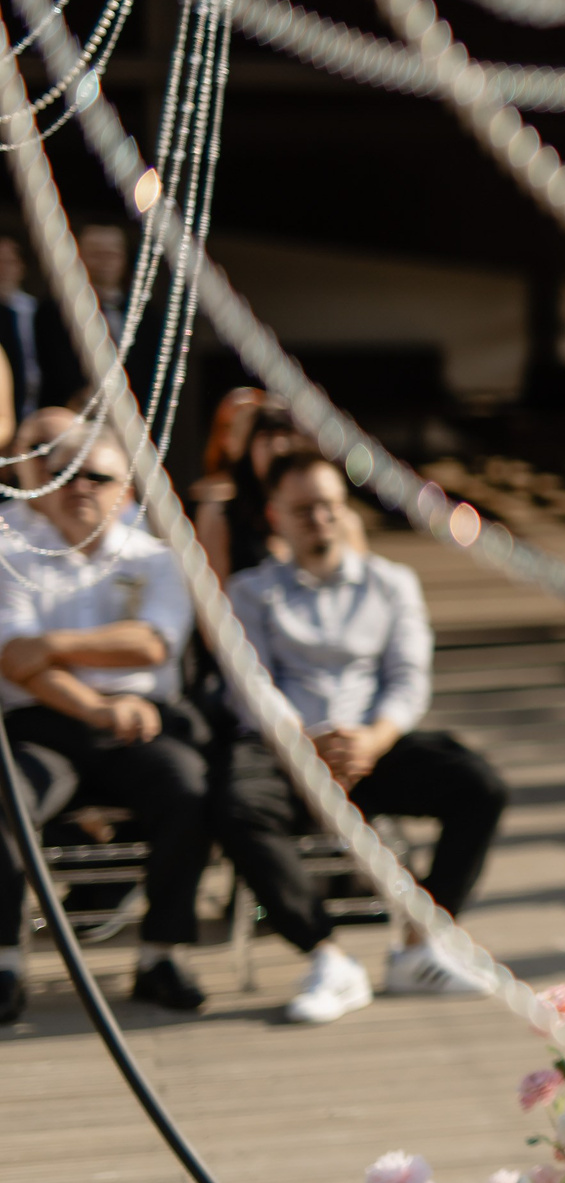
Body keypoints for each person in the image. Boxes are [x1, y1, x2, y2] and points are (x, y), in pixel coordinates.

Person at [216, 453, 509, 1023]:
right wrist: (302, 744)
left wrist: (373, 739)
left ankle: (421, 942)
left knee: (480, 786)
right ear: (276, 516)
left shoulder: (392, 583)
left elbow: (408, 678)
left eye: (328, 505)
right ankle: (326, 956)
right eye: (303, 509)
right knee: (236, 806)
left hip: (372, 742)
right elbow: (249, 683)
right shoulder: (250, 592)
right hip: (286, 746)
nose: (319, 519)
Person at [0, 425, 212, 1013]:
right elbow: (15, 661)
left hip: (139, 730)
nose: (81, 488)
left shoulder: (161, 559)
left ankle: (162, 956)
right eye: (67, 474)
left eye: (99, 476)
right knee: (6, 797)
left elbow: (149, 645)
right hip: (45, 726)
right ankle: (5, 964)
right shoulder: (11, 554)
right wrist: (96, 704)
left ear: (126, 490)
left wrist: (52, 644)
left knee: (188, 789)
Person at [192, 402, 307, 584]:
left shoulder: (322, 510)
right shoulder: (219, 515)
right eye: (267, 438)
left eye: (286, 435)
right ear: (248, 448)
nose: (279, 447)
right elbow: (213, 592)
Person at [0, 233, 77, 416]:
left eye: (9, 261)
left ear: (22, 266)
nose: (3, 268)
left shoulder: (39, 311)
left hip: (41, 403)